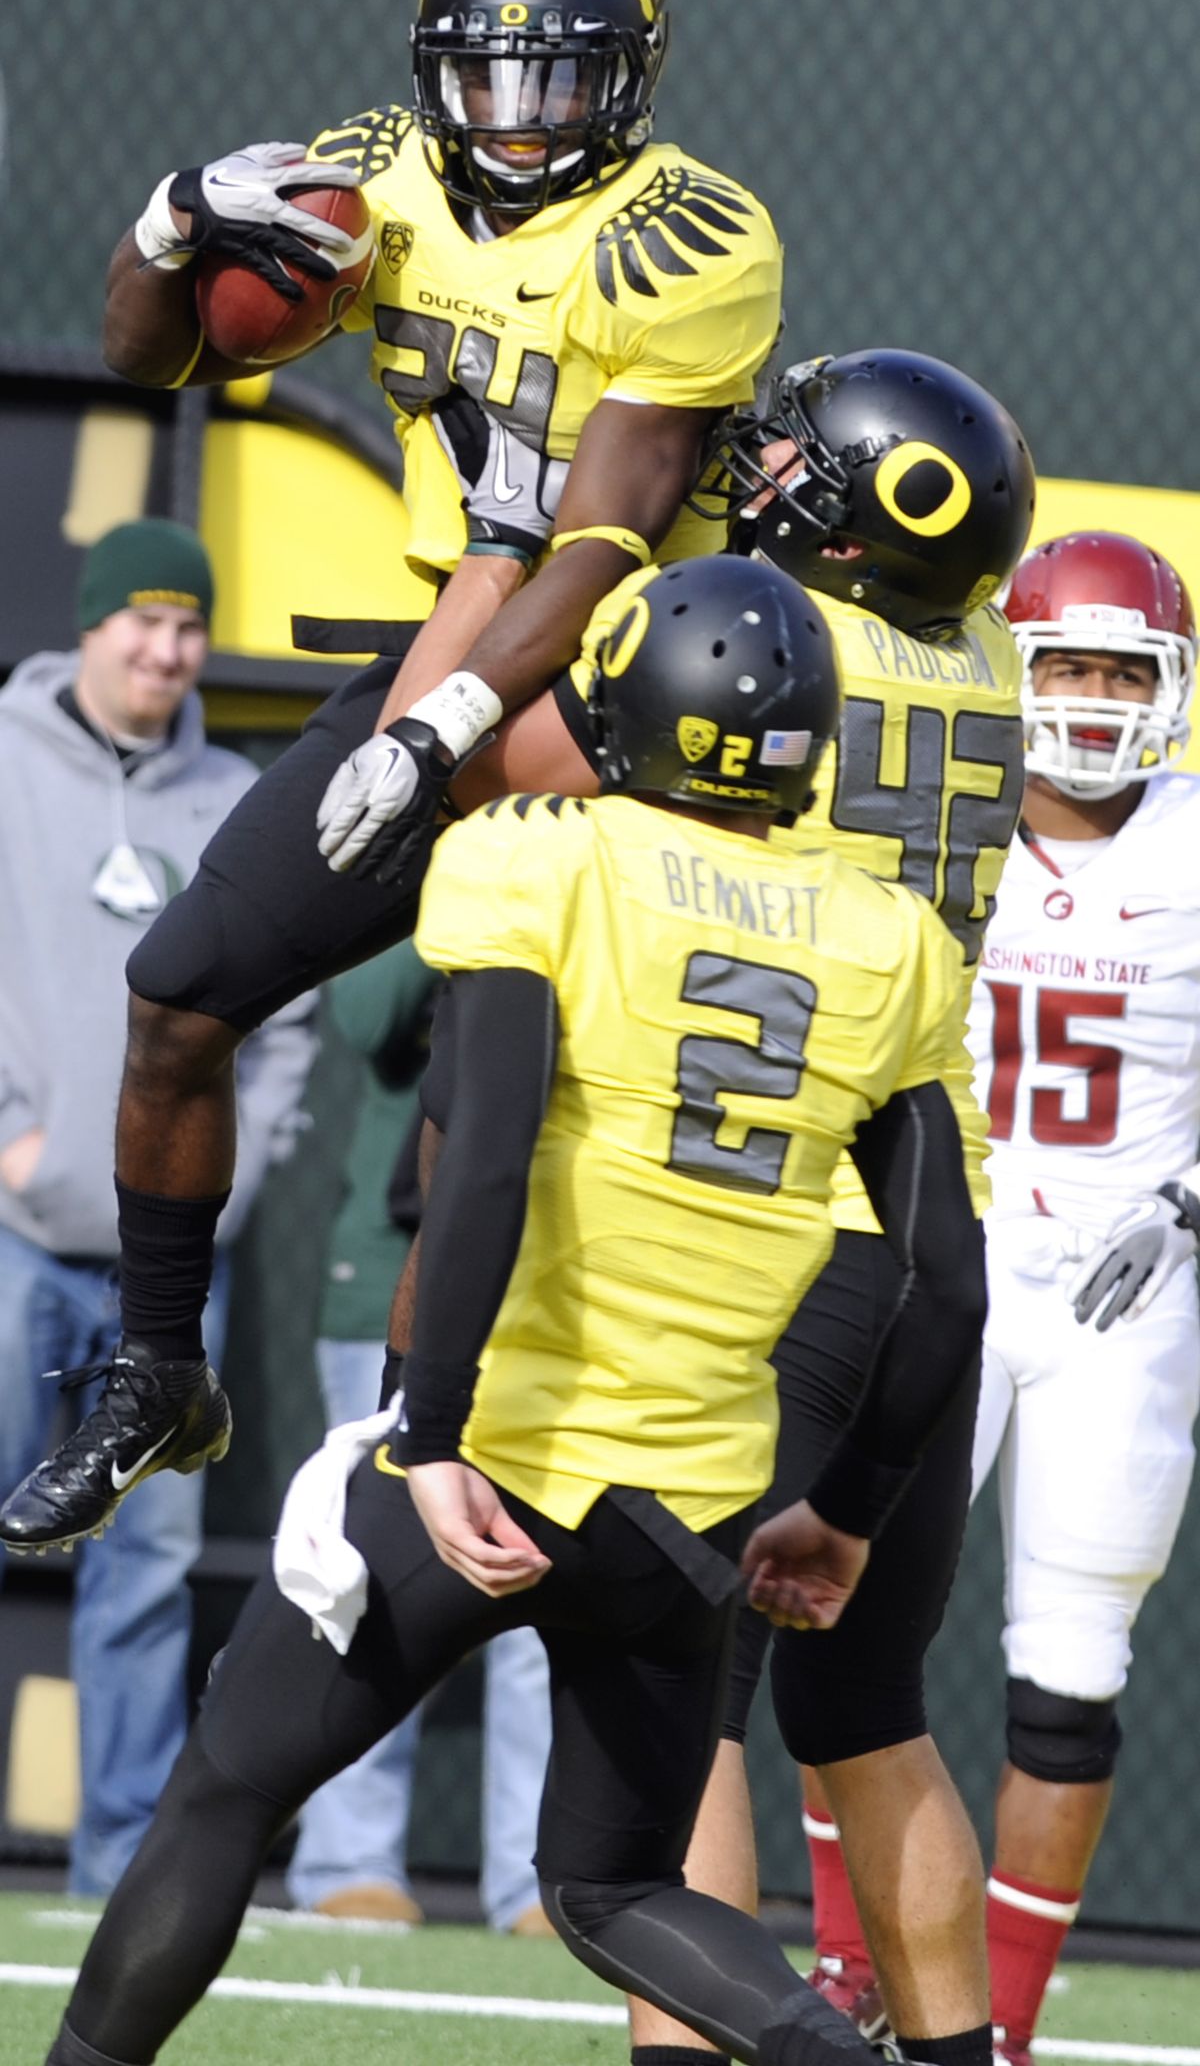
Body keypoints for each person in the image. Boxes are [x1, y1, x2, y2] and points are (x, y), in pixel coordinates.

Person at [42, 553, 988, 2066]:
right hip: (691, 1504)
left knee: (227, 1778)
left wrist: (431, 1432)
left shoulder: (535, 857)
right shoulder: (896, 943)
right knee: (614, 1884)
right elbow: (944, 1290)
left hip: (493, 1456)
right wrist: (852, 1510)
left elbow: (478, 1162)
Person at [2, 0, 783, 1554]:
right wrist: (166, 229)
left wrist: (434, 740)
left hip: (640, 686)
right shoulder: (385, 172)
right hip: (466, 631)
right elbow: (161, 364)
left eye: (556, 85)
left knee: (503, 1073)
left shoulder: (693, 236)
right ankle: (161, 1367)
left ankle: (527, 1411)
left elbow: (605, 533)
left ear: (628, 85)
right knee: (175, 995)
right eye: (485, 85)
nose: (514, 124)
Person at [566, 352, 1031, 2066]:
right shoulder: (986, 667)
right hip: (937, 1227)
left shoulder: (772, 638)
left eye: (791, 471)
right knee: (873, 1715)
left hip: (768, 1218)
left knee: (680, 1714)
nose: (761, 478)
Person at [0, 519, 318, 1893]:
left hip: (165, 1276)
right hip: (11, 1238)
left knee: (140, 1571)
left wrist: (234, 1178)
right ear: (89, 624)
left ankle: (116, 1863)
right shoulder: (4, 765)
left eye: (187, 625)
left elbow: (290, 1016)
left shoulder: (232, 798)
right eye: (141, 619)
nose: (166, 647)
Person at [962, 531, 1200, 2066]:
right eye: (1071, 666)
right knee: (848, 1615)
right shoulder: (943, 805)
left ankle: (1000, 2033)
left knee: (1071, 1664)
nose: (1099, 701)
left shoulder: (1189, 839)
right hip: (948, 1250)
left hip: (1133, 1282)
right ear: (1016, 673)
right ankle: (856, 1967)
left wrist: (1187, 1200)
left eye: (1128, 669)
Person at [285, 940, 553, 1935]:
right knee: (372, 1584)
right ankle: (348, 1858)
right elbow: (362, 1015)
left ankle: (535, 1880)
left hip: (564, 1285)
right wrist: (451, 844)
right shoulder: (439, 847)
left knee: (536, 1589)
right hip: (394, 1278)